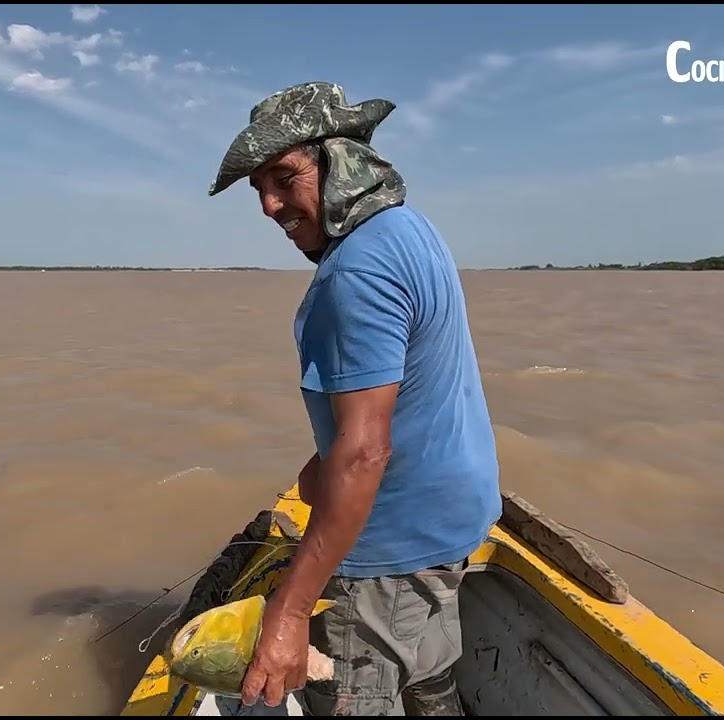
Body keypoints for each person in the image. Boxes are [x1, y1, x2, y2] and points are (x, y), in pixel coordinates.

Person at [206, 81, 502, 716]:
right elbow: (412, 389)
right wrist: (320, 467)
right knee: (430, 673)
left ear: (340, 162)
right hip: (455, 517)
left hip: (390, 544)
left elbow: (364, 453)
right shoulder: (408, 229)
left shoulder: (353, 275)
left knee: (356, 699)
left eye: (285, 177)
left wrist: (289, 612)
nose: (268, 205)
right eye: (259, 188)